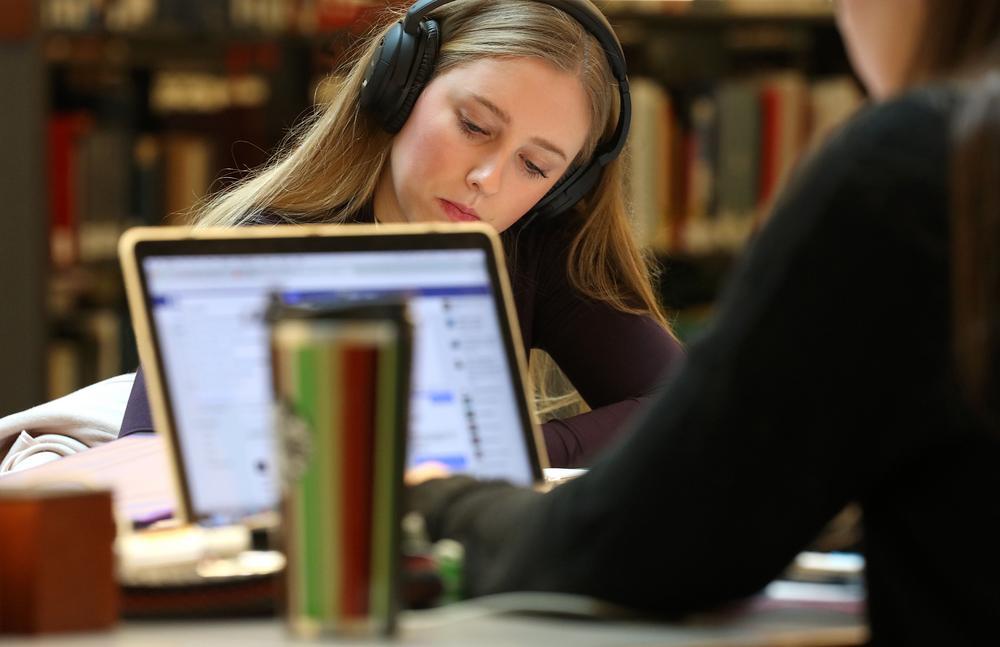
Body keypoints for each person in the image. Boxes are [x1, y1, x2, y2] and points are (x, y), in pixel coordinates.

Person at [406, 0, 1000, 643]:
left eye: (536, 165)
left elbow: (647, 539)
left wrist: (445, 500)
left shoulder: (925, 165)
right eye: (473, 124)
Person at [116, 0, 683, 468]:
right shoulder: (255, 250)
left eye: (535, 167)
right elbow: (143, 470)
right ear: (399, 89)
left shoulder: (537, 247)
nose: (487, 179)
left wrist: (505, 454)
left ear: (562, 188)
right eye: (474, 126)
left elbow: (689, 406)